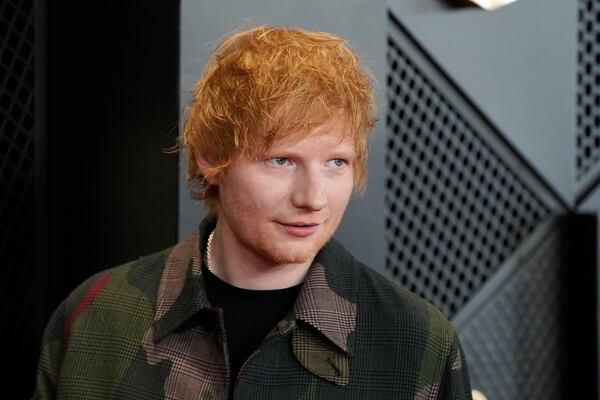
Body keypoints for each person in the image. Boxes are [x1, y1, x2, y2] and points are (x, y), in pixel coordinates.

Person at [34, 26, 472, 399]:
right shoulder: (96, 317)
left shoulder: (415, 340)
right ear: (211, 157)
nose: (313, 198)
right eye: (281, 160)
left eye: (336, 162)